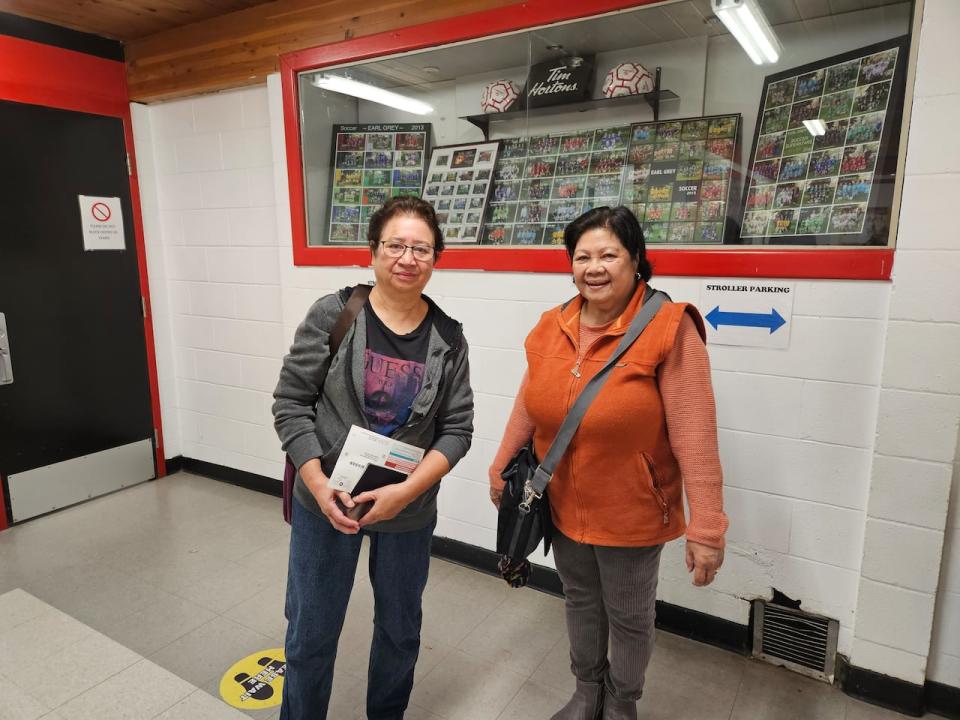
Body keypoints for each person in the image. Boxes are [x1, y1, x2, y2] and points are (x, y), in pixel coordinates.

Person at [488, 206, 727, 720]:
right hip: (563, 502)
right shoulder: (552, 325)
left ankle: (621, 702)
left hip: (633, 508)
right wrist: (503, 463)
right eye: (582, 256)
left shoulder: (669, 327)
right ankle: (585, 691)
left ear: (636, 259)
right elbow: (530, 402)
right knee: (579, 600)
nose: (593, 267)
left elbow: (695, 431)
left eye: (608, 255)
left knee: (630, 616)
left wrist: (708, 524)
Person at [273, 195, 474, 720]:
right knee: (311, 631)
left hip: (406, 511)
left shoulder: (448, 338)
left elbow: (456, 430)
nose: (408, 258)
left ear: (436, 258)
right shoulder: (335, 314)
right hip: (326, 501)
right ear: (373, 250)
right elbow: (291, 404)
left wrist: (407, 492)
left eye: (422, 248)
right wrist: (318, 485)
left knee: (400, 632)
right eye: (396, 245)